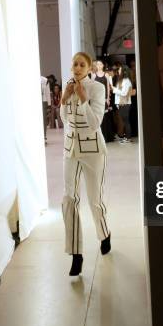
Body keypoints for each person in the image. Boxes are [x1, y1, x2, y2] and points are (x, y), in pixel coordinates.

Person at [60, 52, 111, 276]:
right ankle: (76, 254)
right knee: (69, 198)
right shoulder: (68, 85)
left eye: (82, 65)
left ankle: (104, 233)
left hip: (93, 150)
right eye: (75, 64)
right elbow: (65, 120)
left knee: (94, 200)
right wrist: (64, 99)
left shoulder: (97, 89)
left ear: (89, 68)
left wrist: (82, 99)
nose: (77, 68)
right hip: (70, 149)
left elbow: (94, 123)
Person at [112, 65, 133, 143]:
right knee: (124, 121)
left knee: (126, 121)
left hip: (125, 103)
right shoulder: (123, 80)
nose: (118, 71)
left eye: (120, 70)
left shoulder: (126, 80)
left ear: (124, 71)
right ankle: (127, 137)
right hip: (122, 103)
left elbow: (124, 93)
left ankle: (128, 138)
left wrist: (114, 89)